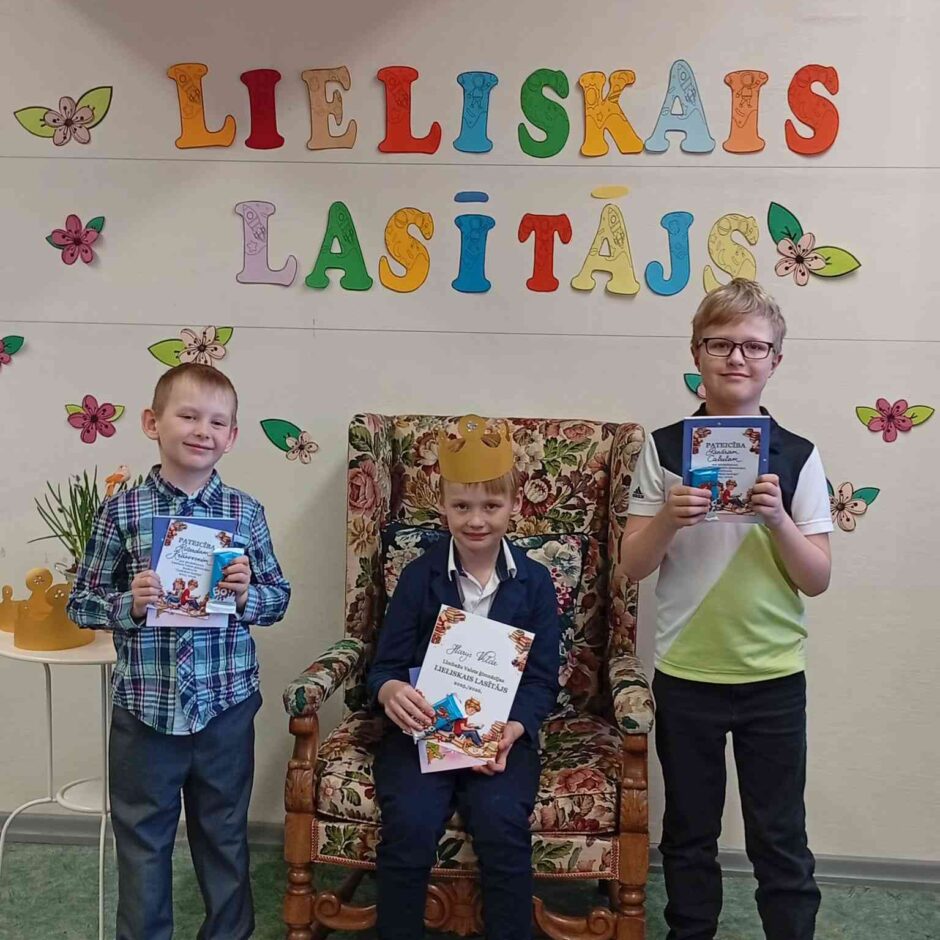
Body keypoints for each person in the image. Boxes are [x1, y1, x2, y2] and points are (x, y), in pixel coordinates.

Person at [621, 279, 833, 940]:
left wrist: (778, 519)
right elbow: (632, 566)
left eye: (753, 346)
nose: (737, 357)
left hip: (773, 673)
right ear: (697, 353)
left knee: (780, 834)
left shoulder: (798, 455)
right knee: (689, 831)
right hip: (688, 671)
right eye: (720, 344)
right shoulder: (662, 449)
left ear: (775, 360)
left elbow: (817, 578)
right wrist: (670, 519)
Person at [67, 362, 291, 940]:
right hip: (146, 710)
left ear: (232, 437)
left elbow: (278, 599)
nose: (202, 430)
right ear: (152, 423)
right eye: (188, 416)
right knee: (143, 840)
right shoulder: (121, 511)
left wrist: (246, 595)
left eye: (217, 422)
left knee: (224, 833)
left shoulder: (245, 513)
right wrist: (130, 604)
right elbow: (81, 602)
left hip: (225, 705)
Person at [367, 414, 561, 940]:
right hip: (420, 736)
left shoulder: (536, 584)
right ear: (443, 506)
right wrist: (390, 690)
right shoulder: (418, 577)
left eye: (491, 506)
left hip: (501, 739)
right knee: (409, 824)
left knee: (501, 824)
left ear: (515, 505)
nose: (476, 520)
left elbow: (543, 681)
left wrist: (513, 730)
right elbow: (383, 667)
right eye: (462, 506)